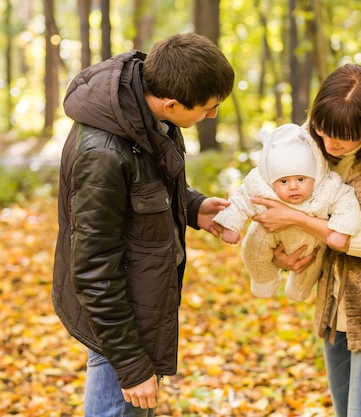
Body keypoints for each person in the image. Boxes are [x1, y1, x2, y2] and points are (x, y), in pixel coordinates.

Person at [51, 33, 235, 417]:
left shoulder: (145, 113)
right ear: (171, 103)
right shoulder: (102, 154)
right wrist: (131, 367)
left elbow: (147, 184)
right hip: (118, 323)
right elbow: (94, 272)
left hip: (143, 304)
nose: (213, 115)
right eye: (209, 108)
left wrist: (194, 205)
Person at [251, 63, 361, 417]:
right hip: (336, 303)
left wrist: (295, 218)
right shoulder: (313, 138)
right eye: (324, 130)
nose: (331, 143)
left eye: (345, 135)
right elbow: (271, 192)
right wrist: (280, 254)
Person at [213, 123, 361, 301]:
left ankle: (300, 290)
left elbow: (346, 202)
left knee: (311, 265)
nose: (293, 187)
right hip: (269, 235)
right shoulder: (261, 187)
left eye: (301, 179)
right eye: (283, 181)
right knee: (254, 250)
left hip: (311, 242)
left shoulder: (327, 187)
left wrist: (341, 230)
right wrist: (231, 225)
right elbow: (240, 200)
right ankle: (263, 280)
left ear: (315, 175)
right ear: (271, 180)